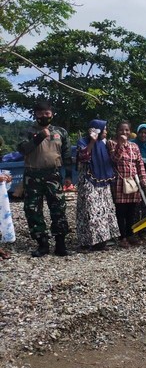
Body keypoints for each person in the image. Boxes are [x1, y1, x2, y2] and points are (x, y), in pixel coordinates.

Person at [17, 100, 73, 257]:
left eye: (47, 113)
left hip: (53, 175)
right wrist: (39, 137)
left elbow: (67, 155)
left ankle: (60, 244)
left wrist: (68, 175)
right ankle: (42, 244)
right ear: (35, 115)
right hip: (32, 175)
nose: (44, 116)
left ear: (52, 114)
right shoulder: (27, 131)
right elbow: (22, 149)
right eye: (40, 114)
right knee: (33, 210)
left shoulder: (60, 132)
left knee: (58, 209)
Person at [75, 119, 120, 251]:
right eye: (104, 129)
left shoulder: (104, 144)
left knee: (104, 211)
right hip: (89, 182)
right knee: (90, 211)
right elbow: (83, 157)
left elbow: (111, 160)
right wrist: (92, 142)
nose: (106, 131)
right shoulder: (83, 142)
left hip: (103, 182)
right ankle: (87, 241)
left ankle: (102, 241)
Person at [108, 121, 146, 247]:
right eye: (121, 130)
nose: (124, 133)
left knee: (132, 210)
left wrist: (143, 178)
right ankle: (122, 236)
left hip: (133, 182)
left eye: (126, 130)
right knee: (120, 210)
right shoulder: (112, 144)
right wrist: (121, 145)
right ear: (117, 131)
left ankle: (131, 234)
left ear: (130, 132)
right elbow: (115, 159)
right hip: (120, 182)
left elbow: (139, 163)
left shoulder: (134, 146)